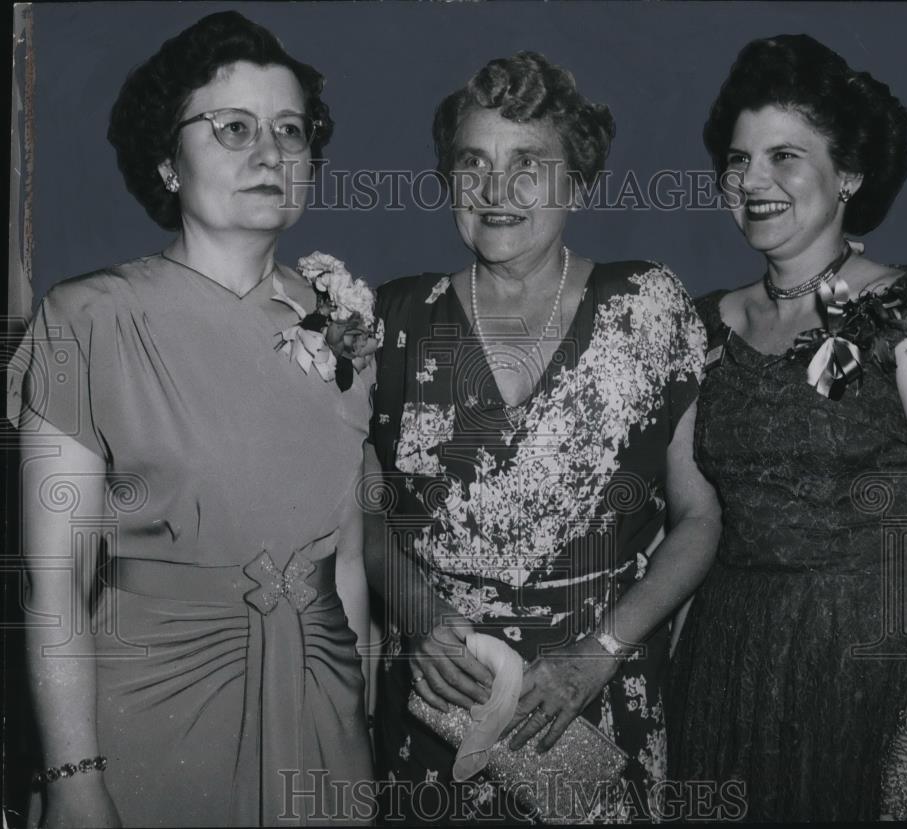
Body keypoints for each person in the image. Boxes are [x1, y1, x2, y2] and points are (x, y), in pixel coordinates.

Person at [17, 11, 373, 827]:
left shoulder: (347, 323)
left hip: (322, 717)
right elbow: (56, 584)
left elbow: (346, 565)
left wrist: (357, 724)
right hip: (148, 712)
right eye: (233, 128)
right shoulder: (87, 319)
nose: (270, 152)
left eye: (291, 129)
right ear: (168, 163)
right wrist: (74, 777)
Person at [364, 51, 720, 823]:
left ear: (579, 181)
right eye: (474, 163)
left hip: (595, 697)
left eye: (529, 164)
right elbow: (362, 513)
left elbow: (700, 518)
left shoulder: (646, 306)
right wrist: (419, 614)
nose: (497, 191)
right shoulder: (393, 319)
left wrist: (597, 655)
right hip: (438, 698)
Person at [667, 34, 907, 822]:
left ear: (848, 173)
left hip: (872, 680)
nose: (754, 181)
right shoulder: (699, 326)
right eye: (739, 160)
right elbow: (690, 520)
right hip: (727, 675)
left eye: (786, 156)